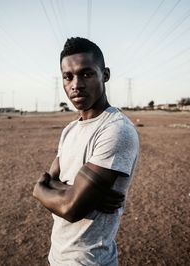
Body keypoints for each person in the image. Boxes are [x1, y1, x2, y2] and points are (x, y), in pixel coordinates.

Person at [33, 37, 139, 265]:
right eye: (68, 76)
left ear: (105, 75)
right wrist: (84, 195)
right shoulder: (70, 129)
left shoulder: (116, 129)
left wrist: (48, 190)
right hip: (58, 256)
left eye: (87, 74)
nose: (76, 84)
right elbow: (48, 181)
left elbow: (70, 208)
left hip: (90, 260)